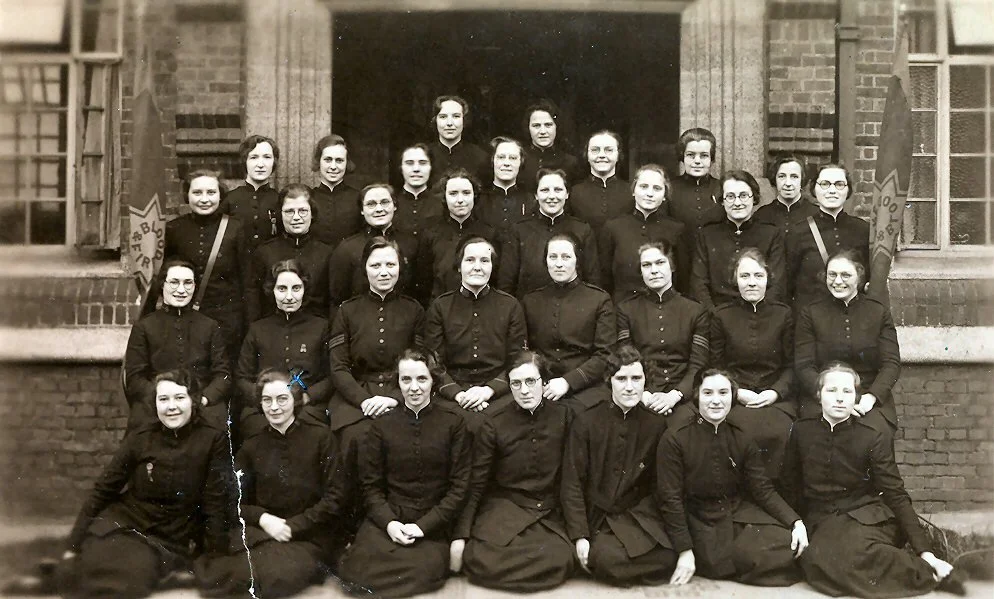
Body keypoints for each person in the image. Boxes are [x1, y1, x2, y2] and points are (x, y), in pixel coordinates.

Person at [781, 363, 964, 598]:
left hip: (866, 516)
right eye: (831, 391)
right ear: (819, 395)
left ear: (856, 397)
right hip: (822, 519)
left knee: (841, 554)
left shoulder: (871, 435)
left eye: (847, 392)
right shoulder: (801, 431)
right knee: (818, 557)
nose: (839, 399)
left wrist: (925, 552)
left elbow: (895, 493)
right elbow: (789, 484)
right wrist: (795, 522)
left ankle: (927, 570)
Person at [58, 370, 231, 599]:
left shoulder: (212, 440)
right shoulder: (141, 437)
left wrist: (214, 556)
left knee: (126, 581)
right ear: (155, 404)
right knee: (90, 565)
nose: (172, 407)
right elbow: (103, 489)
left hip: (168, 537)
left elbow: (215, 502)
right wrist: (72, 545)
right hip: (124, 523)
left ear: (193, 400)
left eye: (180, 398)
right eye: (164, 399)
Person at [194, 369, 348, 598]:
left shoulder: (321, 438)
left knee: (276, 577)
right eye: (267, 400)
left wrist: (293, 526)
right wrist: (264, 519)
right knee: (227, 574)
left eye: (282, 399)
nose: (274, 407)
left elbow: (335, 497)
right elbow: (233, 500)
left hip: (308, 535)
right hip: (263, 533)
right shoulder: (252, 446)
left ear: (295, 400)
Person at [337, 348, 471, 598]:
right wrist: (389, 524)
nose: (414, 387)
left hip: (431, 523)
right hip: (390, 517)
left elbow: (459, 488)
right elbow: (371, 487)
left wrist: (423, 527)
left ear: (433, 381)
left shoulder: (454, 423)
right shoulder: (381, 425)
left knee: (420, 573)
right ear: (397, 383)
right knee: (356, 574)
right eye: (406, 380)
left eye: (422, 379)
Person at [656, 369, 807, 587]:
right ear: (697, 396)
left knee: (790, 544)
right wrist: (684, 550)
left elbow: (762, 489)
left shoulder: (741, 436)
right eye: (708, 393)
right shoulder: (675, 438)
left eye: (723, 393)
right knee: (741, 557)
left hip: (733, 513)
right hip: (696, 519)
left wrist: (795, 521)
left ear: (732, 397)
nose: (716, 401)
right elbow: (670, 499)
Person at [451, 352, 575, 591]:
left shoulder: (564, 416)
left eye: (531, 381)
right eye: (516, 383)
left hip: (547, 512)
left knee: (557, 558)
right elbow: (476, 483)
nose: (525, 390)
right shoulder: (494, 422)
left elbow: (573, 479)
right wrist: (460, 536)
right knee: (480, 558)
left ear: (544, 382)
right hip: (506, 508)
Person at [328, 237, 425, 537]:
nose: (384, 271)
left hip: (405, 393)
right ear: (364, 269)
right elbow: (339, 366)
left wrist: (396, 397)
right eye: (376, 265)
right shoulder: (347, 311)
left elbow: (423, 364)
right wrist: (363, 400)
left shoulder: (414, 310)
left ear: (400, 268)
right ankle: (351, 527)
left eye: (390, 265)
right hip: (357, 394)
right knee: (355, 437)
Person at [560, 344, 676, 587]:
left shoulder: (656, 424)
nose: (630, 386)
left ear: (646, 381)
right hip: (600, 519)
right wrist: (580, 536)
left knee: (668, 554)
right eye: (621, 378)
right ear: (609, 380)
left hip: (637, 517)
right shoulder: (586, 421)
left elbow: (659, 486)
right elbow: (572, 484)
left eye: (636, 378)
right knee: (607, 558)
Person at [424, 236, 526, 433]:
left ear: (492, 267)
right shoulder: (440, 307)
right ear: (459, 266)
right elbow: (434, 363)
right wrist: (458, 394)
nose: (477, 267)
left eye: (484, 261)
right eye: (470, 260)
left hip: (498, 393)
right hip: (453, 394)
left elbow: (518, 361)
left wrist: (489, 390)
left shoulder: (510, 306)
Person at [710, 249, 795, 479]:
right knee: (738, 432)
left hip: (775, 398)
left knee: (780, 432)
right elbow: (716, 366)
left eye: (758, 276)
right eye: (744, 276)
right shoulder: (721, 316)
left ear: (768, 279)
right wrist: (737, 393)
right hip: (737, 398)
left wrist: (775, 392)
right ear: (734, 280)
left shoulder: (783, 314)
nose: (751, 283)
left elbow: (791, 365)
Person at [795, 250, 900, 432]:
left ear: (859, 277)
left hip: (867, 398)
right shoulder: (811, 313)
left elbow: (891, 363)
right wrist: (830, 398)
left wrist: (871, 398)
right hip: (823, 398)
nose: (837, 281)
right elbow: (804, 365)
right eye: (832, 275)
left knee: (875, 432)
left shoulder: (878, 312)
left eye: (845, 275)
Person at [125, 258, 230, 431]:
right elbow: (135, 379)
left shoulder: (209, 326)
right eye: (174, 282)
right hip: (158, 405)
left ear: (195, 286)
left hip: (200, 405)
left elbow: (223, 375)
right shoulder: (144, 327)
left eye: (188, 283)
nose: (181, 290)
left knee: (217, 423)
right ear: (162, 286)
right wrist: (164, 400)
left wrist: (202, 399)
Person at [521, 234, 615, 413]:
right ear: (545, 261)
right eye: (553, 257)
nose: (558, 264)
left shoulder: (599, 300)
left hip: (586, 388)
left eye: (566, 257)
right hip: (542, 386)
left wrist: (568, 382)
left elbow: (605, 355)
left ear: (577, 260)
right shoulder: (531, 301)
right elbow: (525, 352)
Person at [236, 259, 331, 438]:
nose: (289, 296)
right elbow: (242, 377)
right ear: (272, 290)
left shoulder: (321, 327)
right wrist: (263, 399)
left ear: (305, 289)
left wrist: (308, 396)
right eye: (282, 289)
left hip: (306, 407)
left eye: (296, 288)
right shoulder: (258, 329)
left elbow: (331, 375)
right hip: (264, 409)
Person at [164, 169, 251, 359]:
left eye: (211, 193)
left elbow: (248, 281)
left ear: (220, 195)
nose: (204, 199)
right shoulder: (174, 229)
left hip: (227, 322)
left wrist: (247, 325)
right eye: (197, 193)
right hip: (187, 319)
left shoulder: (236, 228)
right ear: (187, 195)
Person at [616, 241, 709, 419]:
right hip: (641, 395)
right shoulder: (626, 310)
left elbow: (699, 364)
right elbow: (626, 359)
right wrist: (645, 395)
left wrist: (674, 396)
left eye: (660, 263)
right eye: (646, 265)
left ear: (672, 266)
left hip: (684, 396)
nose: (653, 270)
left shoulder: (695, 311)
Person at [691, 169, 786, 310]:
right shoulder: (707, 235)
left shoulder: (771, 234)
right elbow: (699, 283)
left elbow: (776, 283)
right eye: (730, 196)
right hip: (717, 316)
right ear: (722, 201)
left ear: (754, 198)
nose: (737, 202)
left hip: (760, 316)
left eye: (743, 196)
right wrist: (715, 316)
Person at [498, 168, 600, 297]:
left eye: (558, 190)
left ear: (567, 194)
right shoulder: (518, 230)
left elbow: (593, 280)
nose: (552, 197)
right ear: (536, 195)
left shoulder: (582, 230)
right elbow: (506, 283)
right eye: (545, 190)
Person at [786, 162, 870, 310]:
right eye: (825, 184)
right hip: (810, 319)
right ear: (814, 189)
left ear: (848, 190)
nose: (832, 190)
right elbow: (787, 284)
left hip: (852, 316)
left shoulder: (862, 230)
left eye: (839, 184)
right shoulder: (798, 232)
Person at [599, 164, 685, 302]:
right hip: (622, 309)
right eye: (643, 187)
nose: (649, 193)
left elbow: (682, 279)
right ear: (633, 191)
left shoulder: (676, 229)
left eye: (657, 188)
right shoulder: (613, 227)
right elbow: (604, 277)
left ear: (664, 195)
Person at [327, 183, 419, 311]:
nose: (379, 209)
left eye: (385, 202)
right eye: (371, 204)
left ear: (395, 206)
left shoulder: (411, 244)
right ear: (361, 210)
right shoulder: (346, 249)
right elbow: (338, 299)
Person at [250, 184, 333, 319]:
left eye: (303, 211)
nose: (296, 217)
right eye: (289, 211)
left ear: (312, 213)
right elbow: (255, 300)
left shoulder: (327, 253)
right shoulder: (264, 252)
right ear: (280, 214)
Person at [418, 169, 496, 300]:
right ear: (444, 197)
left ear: (474, 195)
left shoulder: (489, 233)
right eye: (453, 194)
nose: (460, 200)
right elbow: (423, 280)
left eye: (466, 193)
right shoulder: (431, 233)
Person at [667, 128, 723, 293]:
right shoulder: (670, 188)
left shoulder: (722, 189)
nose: (697, 161)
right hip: (680, 267)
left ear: (712, 159)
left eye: (704, 156)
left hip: (715, 268)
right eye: (691, 155)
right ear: (682, 157)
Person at [308, 134, 364, 250]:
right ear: (319, 162)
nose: (333, 167)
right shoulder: (309, 197)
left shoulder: (358, 197)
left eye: (339, 160)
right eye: (328, 160)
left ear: (346, 163)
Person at [569, 130, 632, 231]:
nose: (602, 155)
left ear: (618, 155)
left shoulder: (632, 192)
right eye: (595, 150)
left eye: (609, 150)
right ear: (587, 155)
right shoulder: (574, 193)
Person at [226, 135, 280, 249]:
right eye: (254, 157)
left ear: (274, 162)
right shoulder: (229, 199)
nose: (260, 164)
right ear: (245, 161)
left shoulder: (280, 200)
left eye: (267, 157)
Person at [518, 99, 581, 192]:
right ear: (528, 128)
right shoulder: (518, 159)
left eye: (548, 125)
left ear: (556, 127)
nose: (543, 131)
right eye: (536, 126)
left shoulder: (570, 163)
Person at [476, 136, 533, 232]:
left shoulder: (530, 200)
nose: (507, 163)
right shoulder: (479, 200)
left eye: (513, 158)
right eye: (501, 157)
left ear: (521, 162)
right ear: (493, 160)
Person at [428, 95, 489, 183]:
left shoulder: (481, 157)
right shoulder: (424, 156)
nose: (449, 123)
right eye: (443, 117)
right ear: (435, 120)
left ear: (464, 120)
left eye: (456, 116)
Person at [754, 155, 816, 236]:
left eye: (794, 177)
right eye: (782, 176)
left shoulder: (816, 214)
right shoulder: (762, 215)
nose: (788, 183)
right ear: (775, 179)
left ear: (802, 180)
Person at [394, 143, 444, 241]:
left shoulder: (442, 204)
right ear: (401, 168)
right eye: (409, 163)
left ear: (431, 167)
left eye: (422, 163)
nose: (416, 169)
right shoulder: (391, 204)